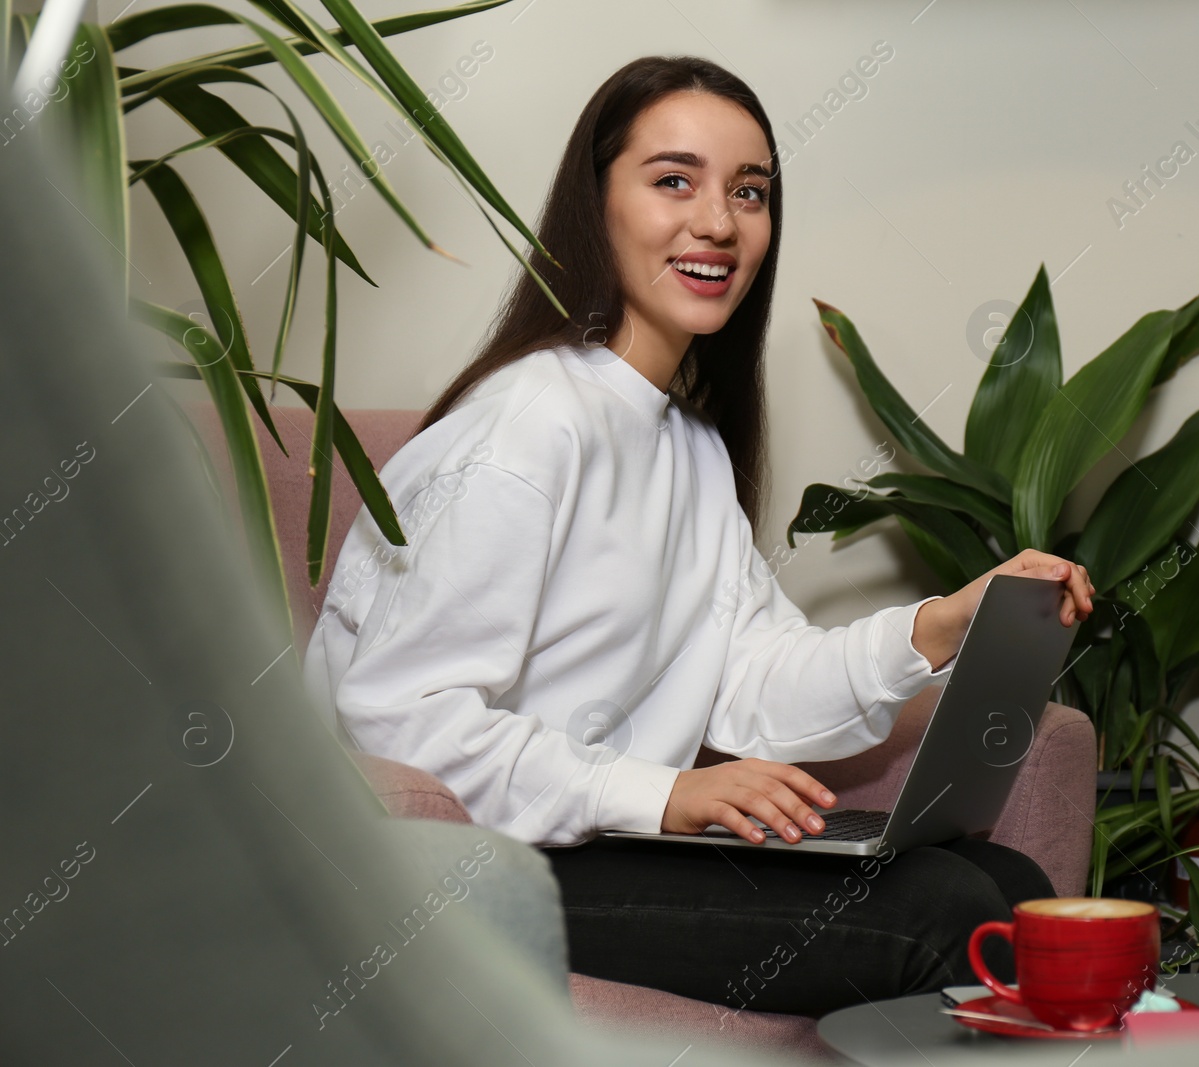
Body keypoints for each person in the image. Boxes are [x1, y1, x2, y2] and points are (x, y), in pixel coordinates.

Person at [302, 54, 1096, 1017]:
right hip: (479, 865)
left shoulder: (686, 444)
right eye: (673, 180)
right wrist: (660, 794)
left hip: (601, 844)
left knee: (1008, 882)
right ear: (595, 205)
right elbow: (400, 720)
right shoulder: (528, 426)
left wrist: (937, 625)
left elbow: (753, 681)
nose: (718, 222)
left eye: (749, 191)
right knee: (943, 912)